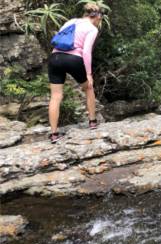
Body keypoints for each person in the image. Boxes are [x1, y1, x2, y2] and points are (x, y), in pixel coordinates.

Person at [47, 3, 102, 143]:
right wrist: (89, 74)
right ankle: (92, 122)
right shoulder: (92, 29)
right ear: (97, 17)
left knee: (56, 96)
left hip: (55, 58)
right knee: (88, 88)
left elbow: (59, 39)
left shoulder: (70, 21)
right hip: (74, 59)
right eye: (100, 20)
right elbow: (86, 52)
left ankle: (53, 134)